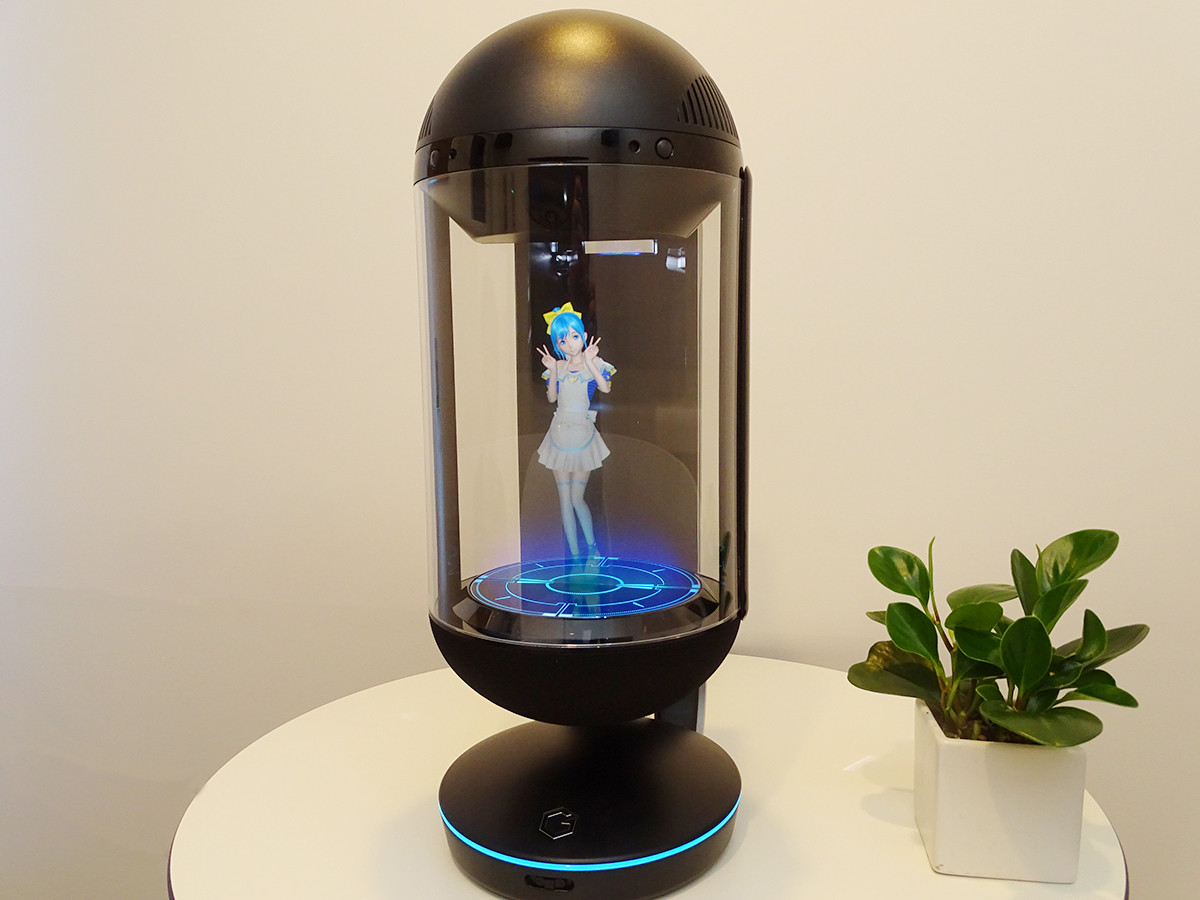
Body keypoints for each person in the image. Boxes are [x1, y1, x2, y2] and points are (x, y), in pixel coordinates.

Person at [536, 304, 615, 558]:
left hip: (583, 435)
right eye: (563, 340)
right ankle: (574, 556)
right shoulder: (558, 366)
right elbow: (551, 398)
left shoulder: (596, 363)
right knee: (564, 501)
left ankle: (592, 549)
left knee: (576, 498)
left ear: (582, 335)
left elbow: (605, 388)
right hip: (559, 435)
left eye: (573, 336)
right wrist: (552, 370)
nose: (570, 344)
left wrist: (590, 362)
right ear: (557, 344)